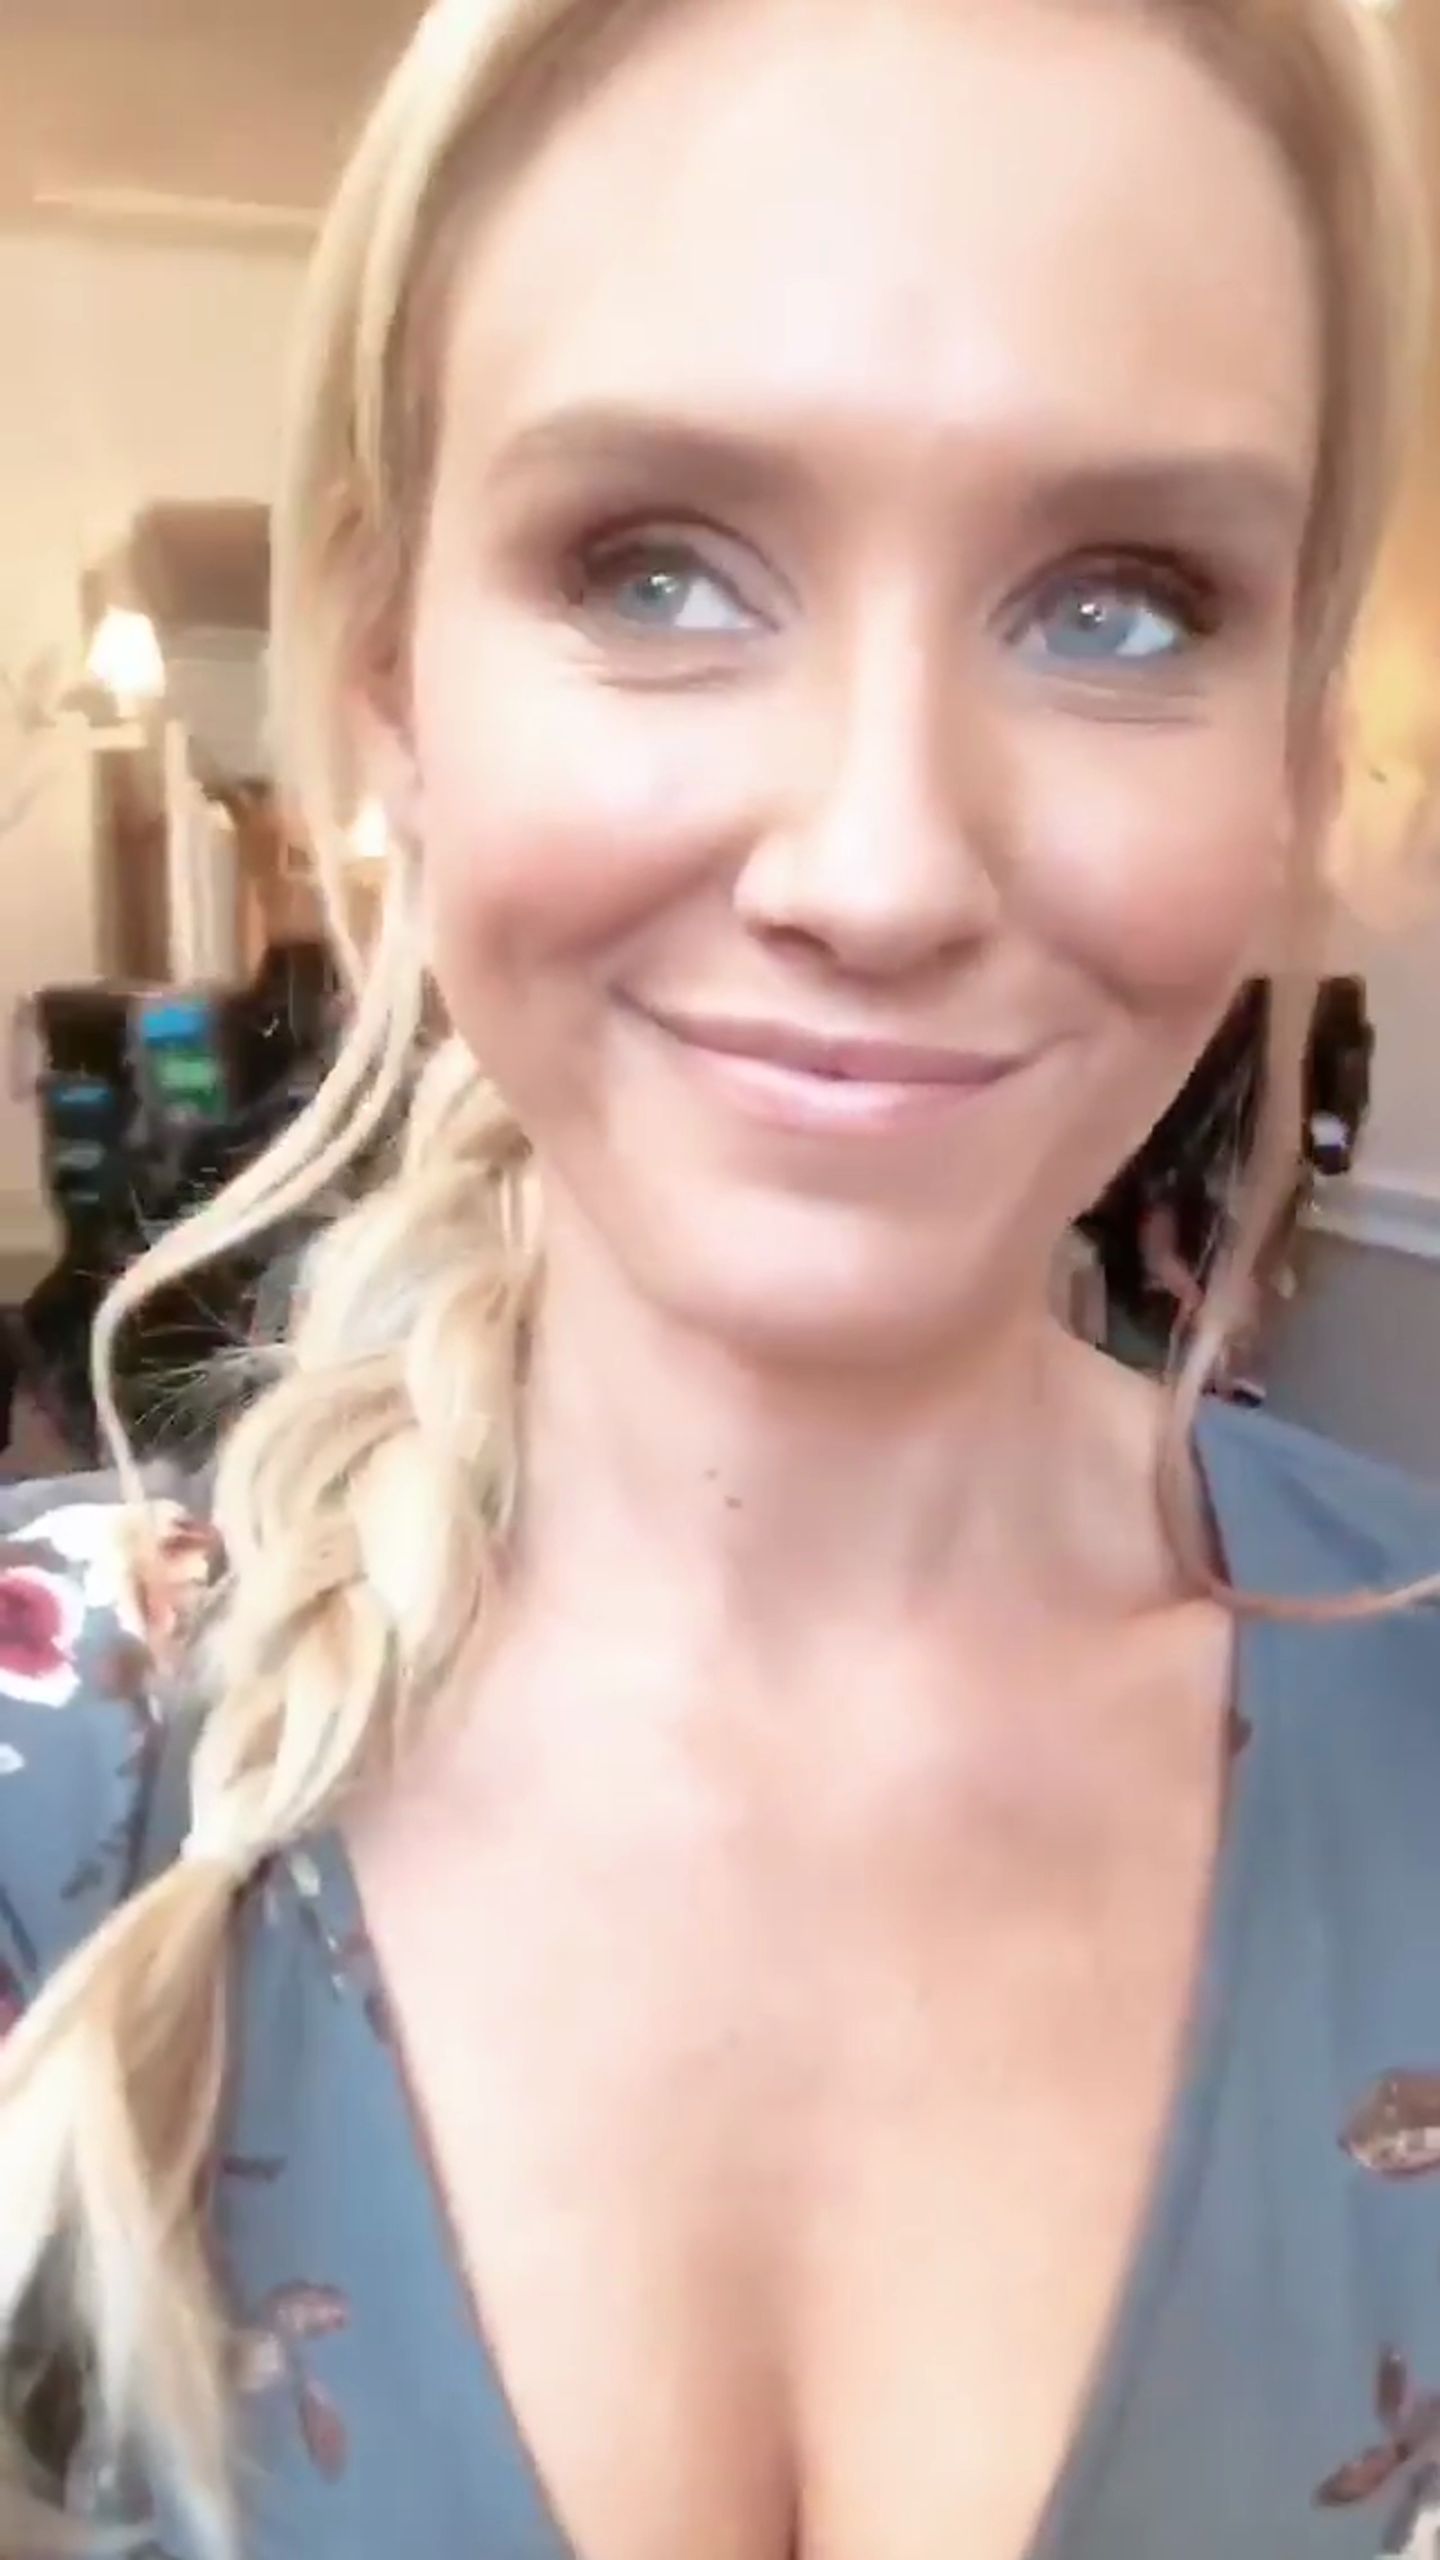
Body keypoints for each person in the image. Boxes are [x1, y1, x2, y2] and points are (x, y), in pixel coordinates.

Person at [0, 2, 1436, 2556]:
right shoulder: (53, 1776)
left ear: (1295, 757)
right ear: (390, 686)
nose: (879, 867)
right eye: (656, 566)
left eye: (1123, 606)